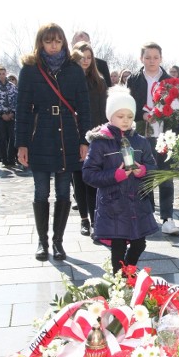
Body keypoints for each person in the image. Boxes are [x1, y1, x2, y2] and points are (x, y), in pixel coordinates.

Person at [16, 23, 91, 261]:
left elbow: (84, 108)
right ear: (40, 42)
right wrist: (22, 144)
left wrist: (84, 140)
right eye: (48, 41)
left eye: (58, 41)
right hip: (40, 135)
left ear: (64, 42)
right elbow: (23, 109)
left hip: (67, 133)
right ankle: (42, 241)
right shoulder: (30, 69)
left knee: (63, 192)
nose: (53, 45)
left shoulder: (74, 69)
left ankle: (58, 242)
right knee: (41, 191)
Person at [82, 87, 157, 274]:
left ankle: (127, 272)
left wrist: (143, 171)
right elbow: (89, 174)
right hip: (113, 205)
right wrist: (115, 175)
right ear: (110, 116)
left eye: (130, 116)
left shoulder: (140, 141)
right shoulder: (100, 142)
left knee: (139, 244)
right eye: (120, 116)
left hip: (137, 203)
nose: (125, 121)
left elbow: (152, 167)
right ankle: (119, 279)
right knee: (118, 247)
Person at [126, 42, 179, 235]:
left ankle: (167, 218)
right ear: (142, 58)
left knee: (166, 176)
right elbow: (129, 105)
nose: (151, 61)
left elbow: (177, 108)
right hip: (142, 134)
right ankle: (147, 214)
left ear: (161, 58)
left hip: (165, 134)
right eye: (147, 57)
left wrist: (165, 114)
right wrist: (143, 115)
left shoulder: (169, 80)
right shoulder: (133, 80)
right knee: (145, 175)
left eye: (155, 57)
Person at [71, 41, 108, 237]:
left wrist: (103, 135)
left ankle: (96, 220)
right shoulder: (68, 79)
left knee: (94, 181)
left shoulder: (99, 81)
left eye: (89, 57)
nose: (85, 61)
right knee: (79, 180)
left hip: (95, 136)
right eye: (81, 57)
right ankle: (84, 219)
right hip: (75, 136)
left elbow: (103, 112)